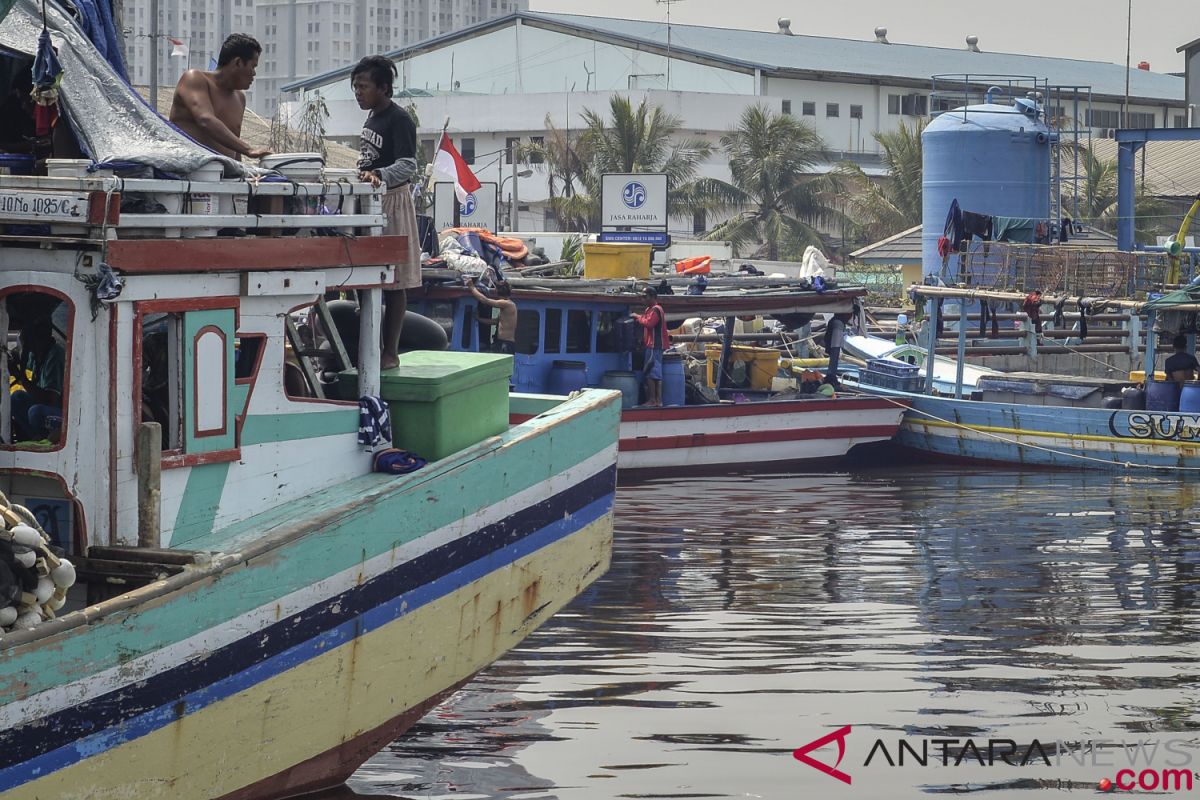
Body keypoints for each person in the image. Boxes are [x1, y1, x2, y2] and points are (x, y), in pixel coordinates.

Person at [352, 55, 422, 370]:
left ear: (383, 88)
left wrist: (379, 176)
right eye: (355, 87)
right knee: (365, 273)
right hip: (368, 202)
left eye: (363, 86)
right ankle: (369, 344)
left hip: (393, 200)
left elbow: (408, 164)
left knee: (395, 282)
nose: (358, 93)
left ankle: (389, 352)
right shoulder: (371, 119)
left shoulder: (399, 119)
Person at [168, 33, 271, 160]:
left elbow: (235, 147)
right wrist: (249, 149)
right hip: (188, 174)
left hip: (224, 176)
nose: (254, 73)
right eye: (253, 66)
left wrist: (241, 174)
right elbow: (206, 120)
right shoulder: (194, 79)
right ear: (238, 62)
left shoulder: (239, 98)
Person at [9, 319, 64, 442]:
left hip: (64, 414)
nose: (24, 347)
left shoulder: (55, 357)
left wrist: (21, 378)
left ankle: (44, 441)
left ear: (37, 340)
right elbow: (23, 363)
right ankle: (34, 437)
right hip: (47, 407)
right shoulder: (37, 354)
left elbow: (50, 399)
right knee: (16, 397)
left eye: (26, 343)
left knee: (36, 412)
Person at [634, 287, 670, 407]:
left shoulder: (656, 310)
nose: (643, 299)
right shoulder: (650, 310)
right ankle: (657, 400)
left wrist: (637, 317)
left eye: (645, 296)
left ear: (653, 297)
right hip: (652, 345)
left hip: (655, 345)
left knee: (652, 373)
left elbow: (649, 323)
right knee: (655, 373)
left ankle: (654, 400)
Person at [466, 278, 517, 354]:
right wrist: (478, 319)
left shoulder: (508, 304)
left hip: (506, 344)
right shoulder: (506, 307)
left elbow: (485, 300)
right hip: (501, 343)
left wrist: (472, 287)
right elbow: (495, 322)